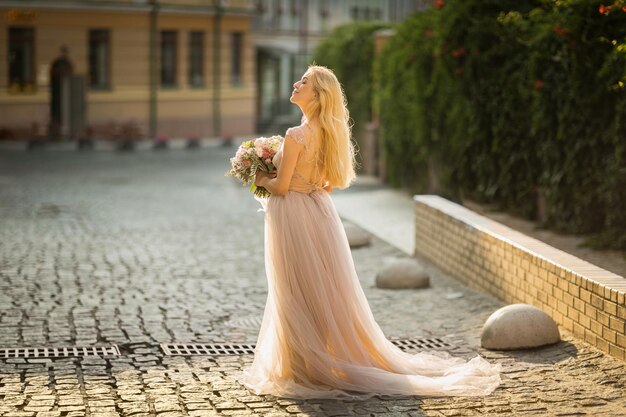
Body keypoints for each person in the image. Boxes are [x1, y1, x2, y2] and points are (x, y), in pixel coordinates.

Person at [238, 65, 501, 400]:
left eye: (304, 82)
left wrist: (257, 177)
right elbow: (328, 184)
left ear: (318, 96)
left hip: (295, 217)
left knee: (295, 289)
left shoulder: (295, 135)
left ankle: (303, 366)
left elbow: (282, 187)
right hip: (320, 214)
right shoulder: (328, 133)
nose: (296, 83)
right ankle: (318, 359)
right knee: (324, 290)